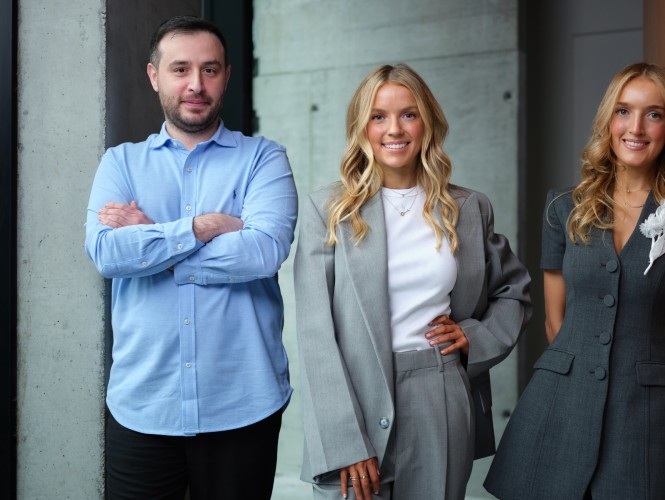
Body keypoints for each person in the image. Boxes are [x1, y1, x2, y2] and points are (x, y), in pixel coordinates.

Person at [293, 63, 532, 500]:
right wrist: (345, 440)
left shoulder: (468, 208)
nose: (394, 129)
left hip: (437, 393)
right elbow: (314, 335)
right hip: (355, 401)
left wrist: (474, 338)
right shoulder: (327, 211)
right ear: (361, 126)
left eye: (409, 114)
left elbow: (514, 292)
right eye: (378, 116)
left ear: (428, 123)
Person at [84, 16, 297, 499]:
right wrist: (200, 227)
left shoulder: (264, 159)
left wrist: (153, 240)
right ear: (154, 75)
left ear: (225, 76)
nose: (196, 84)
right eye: (181, 69)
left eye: (210, 69)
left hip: (243, 403)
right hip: (144, 405)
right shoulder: (120, 163)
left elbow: (263, 252)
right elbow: (105, 253)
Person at [485, 62, 665, 499]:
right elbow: (555, 322)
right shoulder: (563, 208)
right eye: (623, 111)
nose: (636, 128)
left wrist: (651, 392)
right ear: (608, 121)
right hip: (560, 405)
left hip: (648, 415)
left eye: (654, 113)